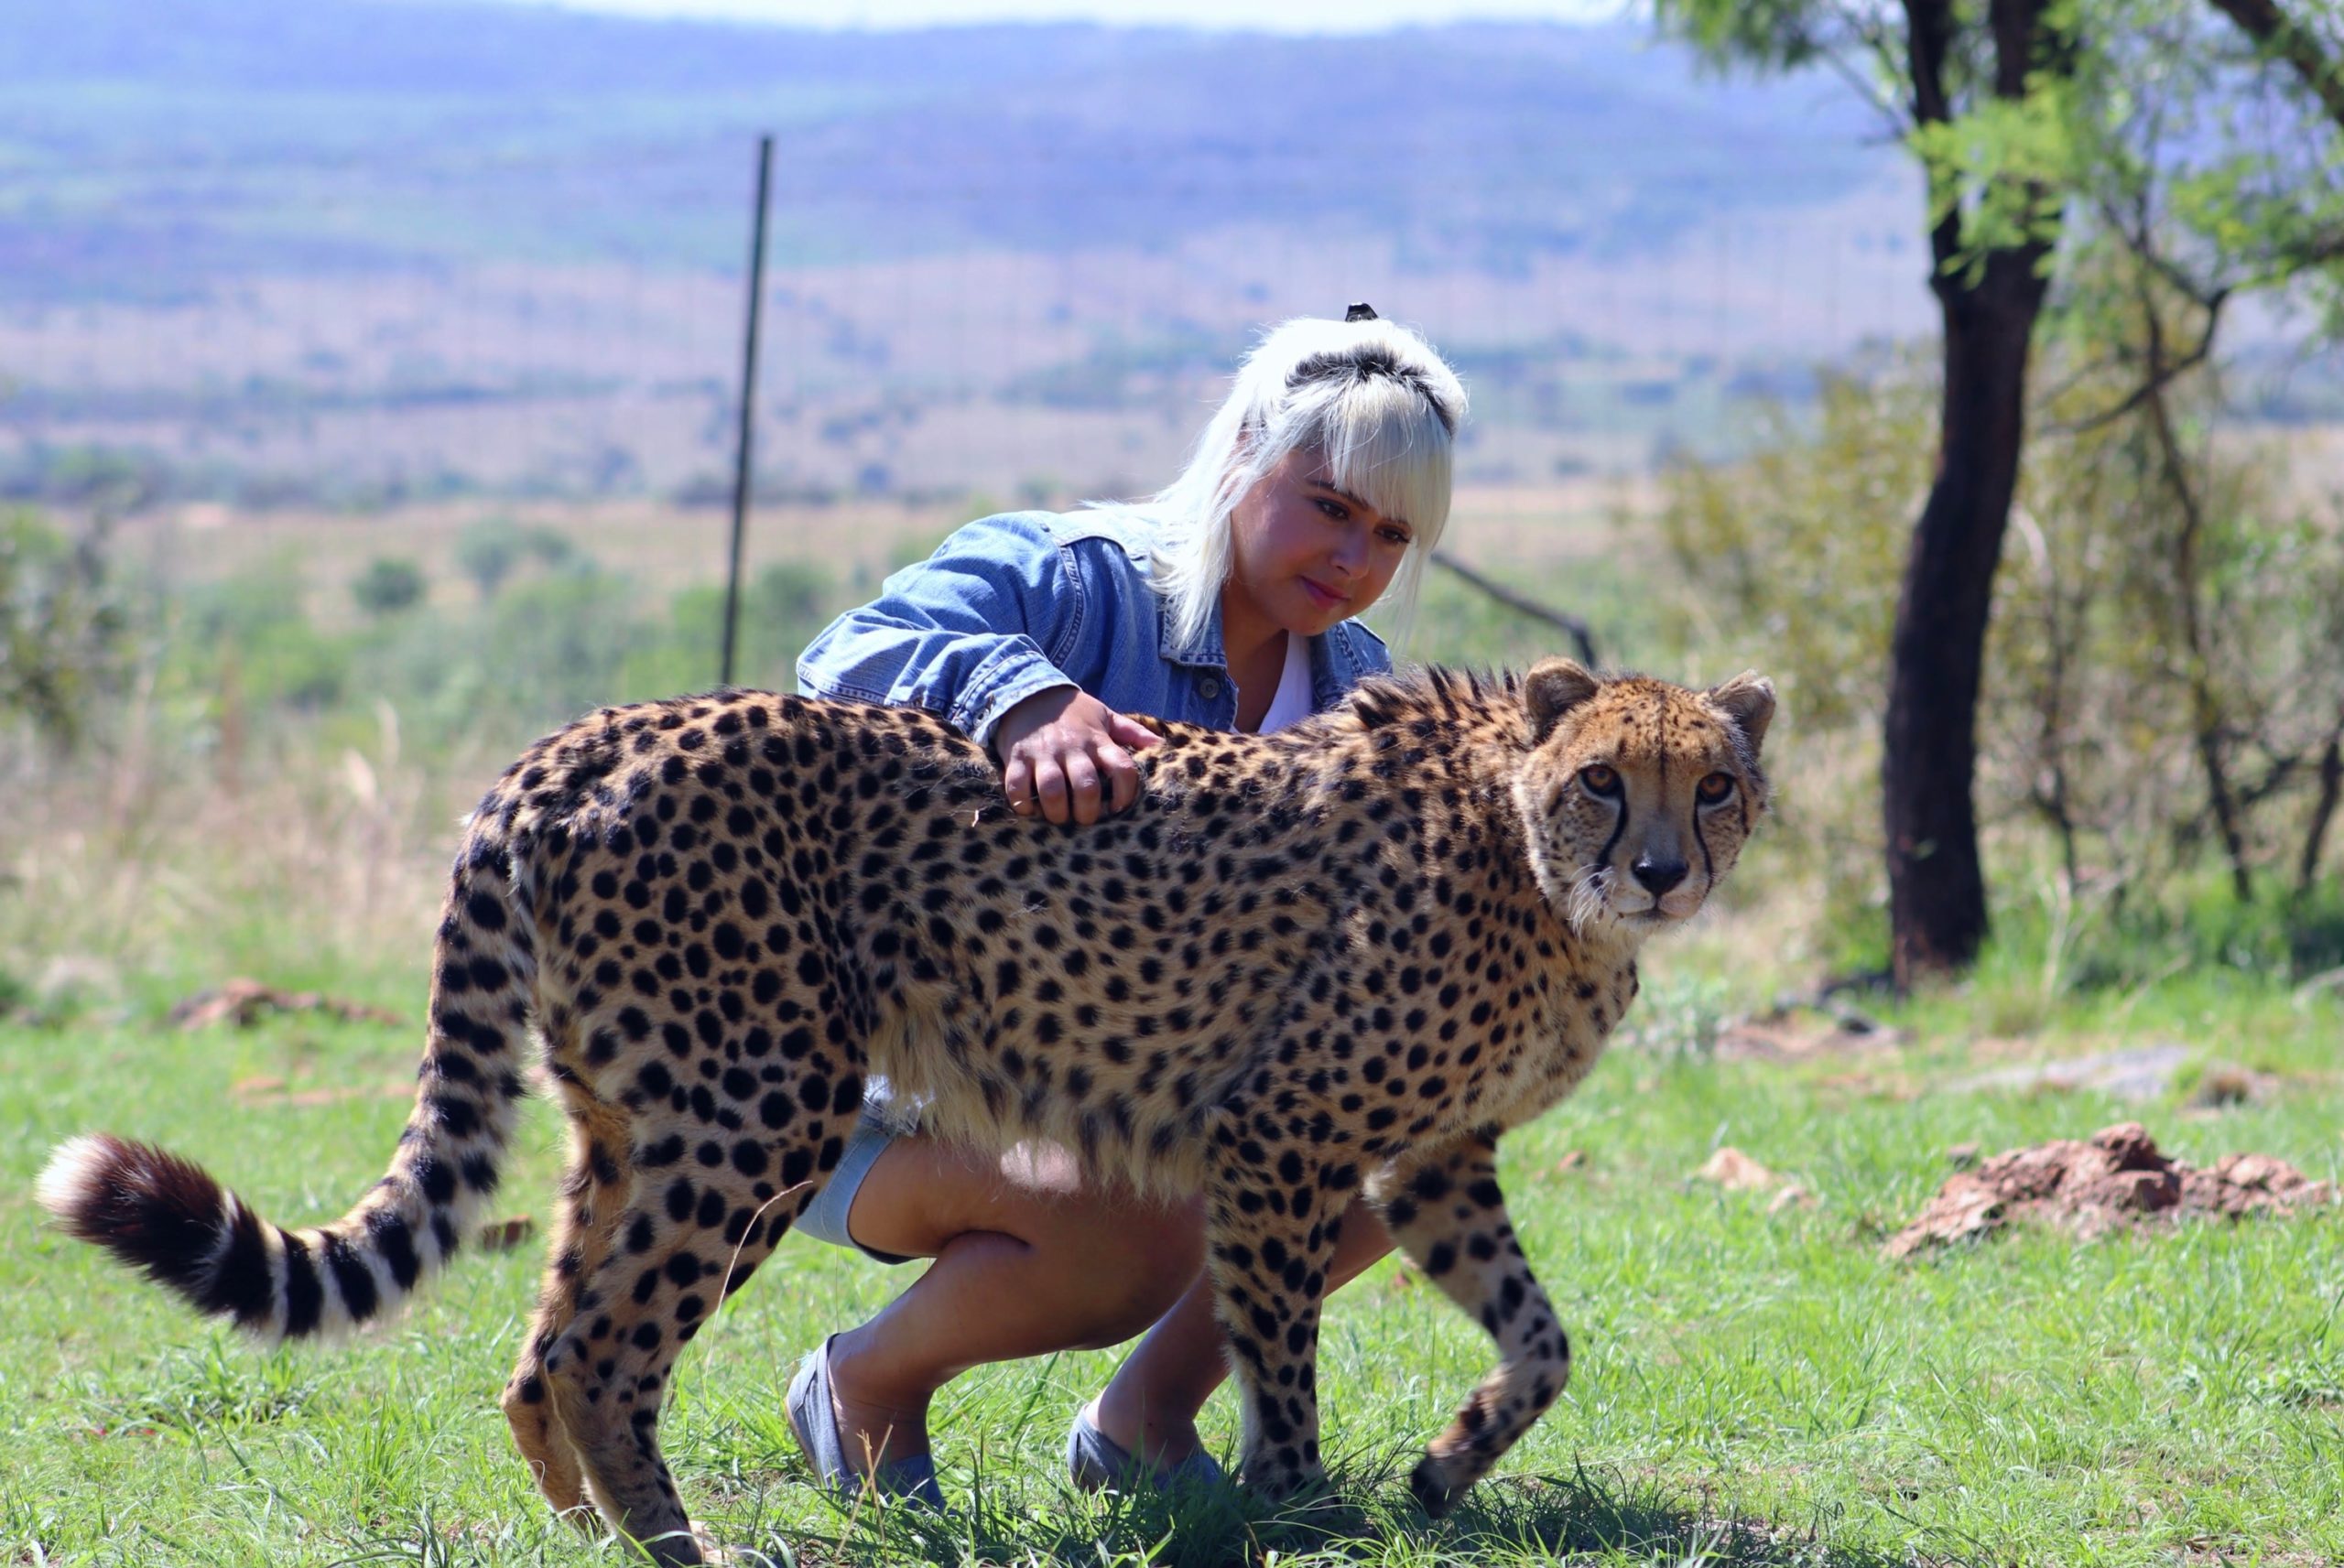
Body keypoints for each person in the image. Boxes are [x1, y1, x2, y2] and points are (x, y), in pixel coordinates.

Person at [787, 306, 1470, 1507]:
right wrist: (1020, 696)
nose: (1357, 557)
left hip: (1142, 1097)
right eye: (1329, 504)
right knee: (1121, 1216)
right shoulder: (1077, 578)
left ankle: (1144, 1422)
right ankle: (863, 1383)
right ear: (1247, 447)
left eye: (1391, 532)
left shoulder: (1356, 686)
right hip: (889, 1093)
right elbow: (849, 649)